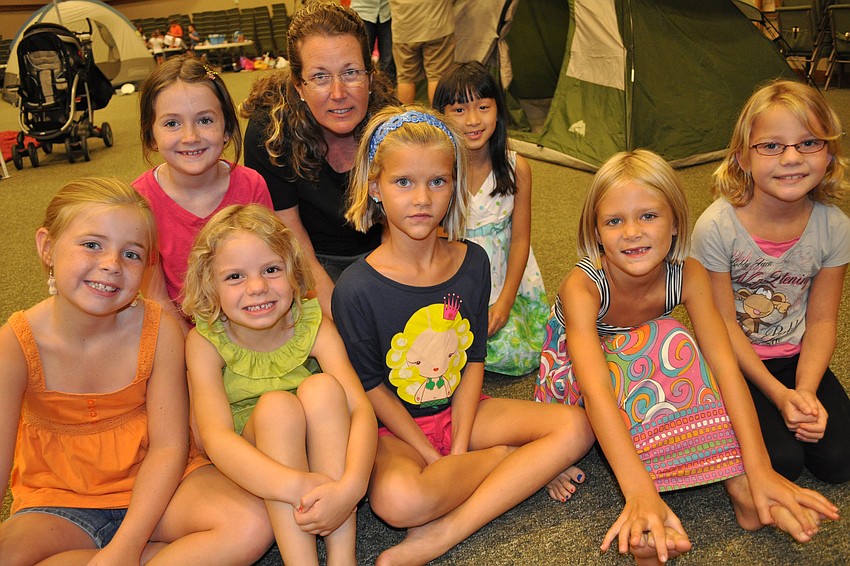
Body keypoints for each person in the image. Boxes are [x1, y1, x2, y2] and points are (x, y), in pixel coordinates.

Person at [534, 149, 839, 565]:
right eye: (614, 221)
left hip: (640, 367)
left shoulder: (688, 274)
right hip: (574, 380)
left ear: (676, 222)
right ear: (596, 232)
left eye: (648, 216)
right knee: (654, 342)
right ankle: (646, 506)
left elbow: (725, 368)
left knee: (675, 339)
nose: (631, 233)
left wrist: (759, 467)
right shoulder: (583, 285)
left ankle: (741, 490)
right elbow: (596, 389)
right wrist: (638, 488)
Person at [332, 106, 594, 566]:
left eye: (437, 181)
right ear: (375, 188)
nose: (422, 199)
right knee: (398, 504)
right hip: (394, 428)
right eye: (403, 183)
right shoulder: (354, 289)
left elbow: (473, 358)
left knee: (576, 426)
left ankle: (445, 533)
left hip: (463, 412)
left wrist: (457, 446)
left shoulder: (472, 262)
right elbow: (371, 387)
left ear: (454, 185)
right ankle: (513, 462)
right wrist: (430, 456)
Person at [0, 178, 273, 565]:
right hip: (58, 501)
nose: (111, 265)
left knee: (251, 523)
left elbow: (169, 447)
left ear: (147, 266)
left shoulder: (158, 328)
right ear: (47, 247)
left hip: (163, 488)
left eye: (131, 254)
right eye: (92, 244)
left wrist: (126, 547)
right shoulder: (13, 344)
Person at [182, 204, 377, 565]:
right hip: (254, 462)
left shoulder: (311, 322)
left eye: (271, 270)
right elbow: (215, 438)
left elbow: (360, 409)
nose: (257, 288)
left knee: (323, 389)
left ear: (293, 273)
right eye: (235, 277)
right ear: (210, 285)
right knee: (277, 407)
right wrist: (296, 486)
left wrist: (351, 487)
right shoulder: (205, 341)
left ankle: (341, 558)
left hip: (320, 443)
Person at [692, 79, 850, 485]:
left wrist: (806, 391)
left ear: (829, 153)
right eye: (772, 145)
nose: (792, 158)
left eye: (809, 142)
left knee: (839, 461)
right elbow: (723, 324)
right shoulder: (716, 227)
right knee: (782, 463)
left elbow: (821, 322)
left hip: (797, 358)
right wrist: (778, 396)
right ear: (743, 158)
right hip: (734, 362)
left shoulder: (835, 227)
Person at [241, 0, 398, 319]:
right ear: (299, 85)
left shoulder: (391, 124)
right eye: (321, 77)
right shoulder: (269, 132)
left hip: (386, 249)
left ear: (369, 75)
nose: (339, 93)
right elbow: (294, 244)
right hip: (311, 258)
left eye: (351, 72)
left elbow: (403, 228)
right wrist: (338, 316)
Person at [134, 55, 272, 333]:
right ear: (151, 135)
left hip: (255, 324)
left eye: (205, 120)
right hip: (184, 333)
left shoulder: (251, 186)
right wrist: (193, 351)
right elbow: (157, 296)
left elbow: (272, 273)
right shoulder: (140, 201)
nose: (190, 137)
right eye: (172, 123)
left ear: (227, 129)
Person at [434, 61, 548, 376]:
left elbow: (521, 240)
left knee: (515, 352)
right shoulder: (436, 172)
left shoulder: (516, 168)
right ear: (441, 115)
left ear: (498, 110)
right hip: (453, 280)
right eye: (458, 110)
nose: (472, 120)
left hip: (503, 281)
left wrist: (506, 303)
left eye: (482, 106)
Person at [387, 0, 455, 104]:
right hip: (436, 26)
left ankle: (404, 118)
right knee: (437, 76)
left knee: (405, 78)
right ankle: (438, 118)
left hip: (404, 30)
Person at [350, 0, 396, 83]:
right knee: (360, 59)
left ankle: (385, 94)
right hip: (362, 12)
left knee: (388, 63)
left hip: (388, 12)